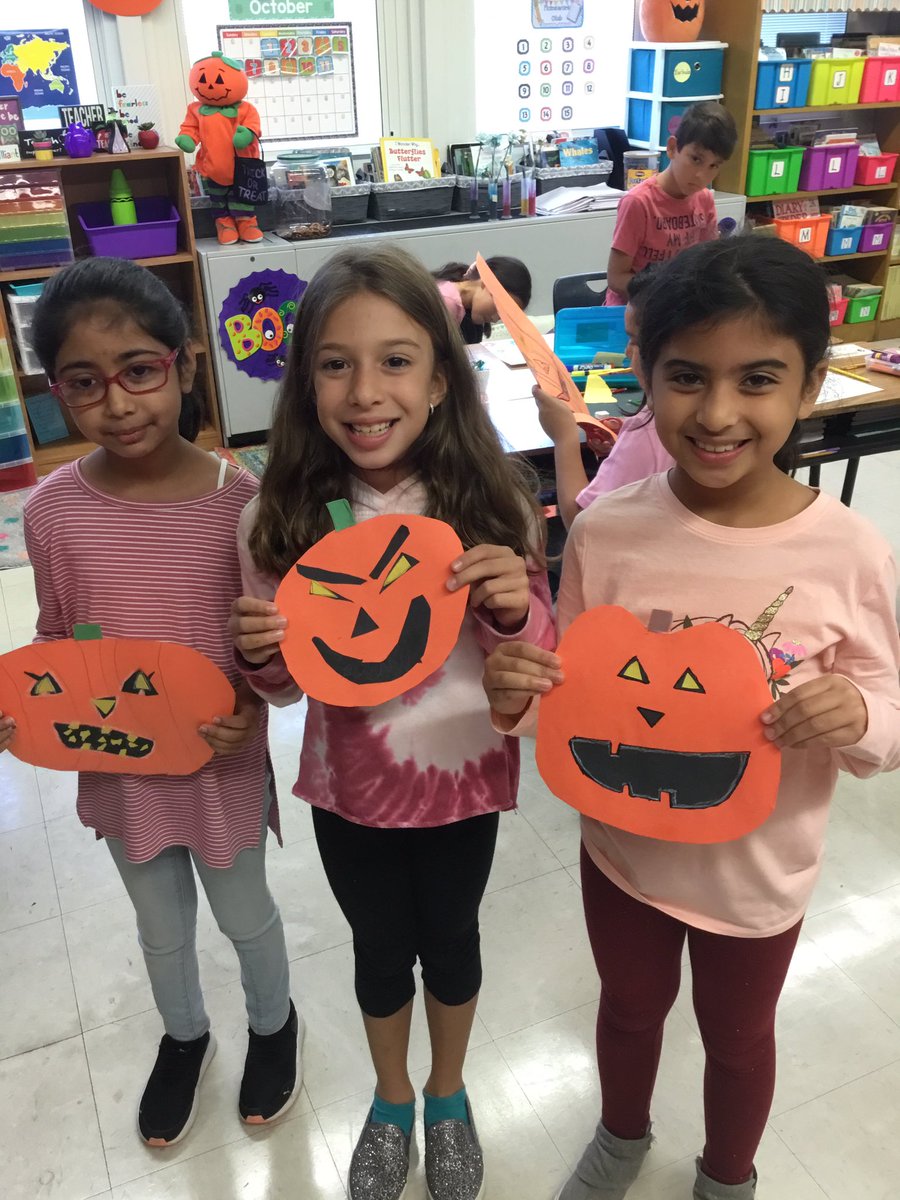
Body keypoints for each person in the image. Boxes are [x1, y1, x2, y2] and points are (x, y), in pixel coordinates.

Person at [483, 237, 900, 1200]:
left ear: (808, 386)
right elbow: (581, 699)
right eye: (685, 378)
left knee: (739, 1038)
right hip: (624, 851)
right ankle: (622, 1136)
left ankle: (728, 1176)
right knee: (628, 1011)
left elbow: (885, 723)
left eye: (757, 379)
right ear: (644, 377)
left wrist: (853, 715)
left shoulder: (850, 552)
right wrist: (519, 700)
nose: (716, 414)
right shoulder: (607, 527)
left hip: (759, 872)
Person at [230, 243, 555, 1200]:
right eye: (336, 363)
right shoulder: (279, 515)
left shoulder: (494, 497)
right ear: (306, 383)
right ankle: (391, 1096)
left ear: (443, 380)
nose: (366, 390)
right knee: (379, 950)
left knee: (451, 940)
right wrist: (260, 653)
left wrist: (509, 612)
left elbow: (534, 662)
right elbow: (282, 688)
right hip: (353, 789)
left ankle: (448, 1095)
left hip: (461, 781)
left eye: (396, 359)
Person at [3, 258, 299, 1149]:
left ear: (184, 365)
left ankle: (274, 1025)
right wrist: (29, 707)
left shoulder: (239, 503)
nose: (118, 404)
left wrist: (251, 712)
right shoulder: (51, 511)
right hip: (120, 763)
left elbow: (266, 647)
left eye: (140, 371)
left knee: (245, 913)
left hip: (219, 760)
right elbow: (59, 638)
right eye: (84, 384)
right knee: (159, 925)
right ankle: (184, 1037)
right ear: (57, 392)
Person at [534, 266, 673, 528]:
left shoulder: (649, 432)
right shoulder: (660, 426)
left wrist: (564, 438)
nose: (626, 350)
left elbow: (581, 522)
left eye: (634, 340)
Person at [605, 100, 738, 306]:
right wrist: (668, 293)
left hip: (678, 310)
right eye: (696, 159)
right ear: (672, 148)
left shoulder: (704, 199)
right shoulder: (638, 203)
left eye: (714, 165)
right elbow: (616, 278)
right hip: (633, 312)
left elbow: (706, 265)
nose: (702, 175)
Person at [433, 256, 532, 344]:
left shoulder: (464, 307)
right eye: (500, 308)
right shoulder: (447, 303)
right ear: (486, 283)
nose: (495, 319)